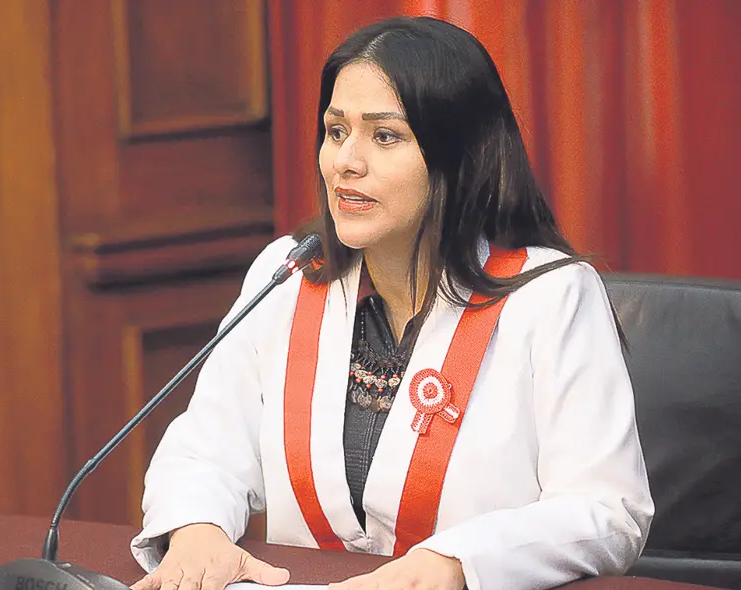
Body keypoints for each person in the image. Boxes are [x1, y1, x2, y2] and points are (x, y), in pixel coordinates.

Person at [129, 16, 652, 590]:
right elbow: (206, 450)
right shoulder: (291, 275)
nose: (346, 162)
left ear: (459, 155)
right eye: (335, 130)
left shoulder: (550, 296)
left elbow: (606, 510)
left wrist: (453, 564)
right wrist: (198, 530)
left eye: (385, 136)